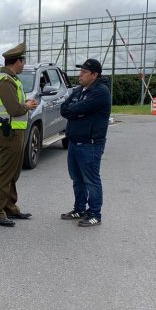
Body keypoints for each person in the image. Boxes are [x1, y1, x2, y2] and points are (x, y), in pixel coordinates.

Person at [0, 42, 38, 227]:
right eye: (23, 61)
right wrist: (27, 105)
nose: (24, 65)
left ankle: (10, 206)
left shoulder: (12, 79)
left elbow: (13, 106)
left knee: (13, 172)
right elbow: (14, 108)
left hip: (15, 131)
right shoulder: (5, 81)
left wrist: (23, 104)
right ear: (17, 61)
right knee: (5, 173)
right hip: (9, 133)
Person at [59, 58, 111, 227]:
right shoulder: (79, 89)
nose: (79, 75)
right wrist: (75, 111)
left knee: (91, 180)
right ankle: (79, 209)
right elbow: (65, 108)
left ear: (94, 75)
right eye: (80, 71)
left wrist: (75, 111)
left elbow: (76, 109)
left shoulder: (101, 92)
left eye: (84, 72)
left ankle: (95, 213)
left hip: (90, 144)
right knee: (77, 179)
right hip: (75, 141)